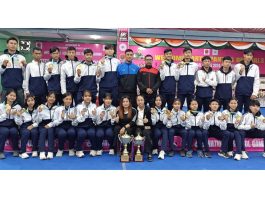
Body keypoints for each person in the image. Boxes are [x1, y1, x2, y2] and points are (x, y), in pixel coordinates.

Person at [0, 37, 27, 106]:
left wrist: (25, 66)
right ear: (7, 45)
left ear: (17, 45)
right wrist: (3, 66)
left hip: (19, 88)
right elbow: (0, 72)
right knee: (4, 108)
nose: (13, 45)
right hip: (6, 88)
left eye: (15, 43)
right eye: (11, 43)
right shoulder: (2, 57)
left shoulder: (21, 57)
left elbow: (24, 73)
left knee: (20, 108)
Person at [73, 90, 97, 157]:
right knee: (82, 133)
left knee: (92, 133)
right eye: (86, 96)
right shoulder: (78, 107)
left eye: (89, 96)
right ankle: (78, 150)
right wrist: (82, 115)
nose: (87, 97)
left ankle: (93, 149)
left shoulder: (94, 106)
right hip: (81, 125)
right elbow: (74, 122)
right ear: (82, 97)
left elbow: (96, 121)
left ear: (91, 97)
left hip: (90, 125)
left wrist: (95, 115)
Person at [53, 93, 77, 157]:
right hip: (60, 125)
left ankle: (71, 149)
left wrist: (74, 119)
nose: (68, 101)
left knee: (72, 132)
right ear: (63, 100)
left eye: (70, 99)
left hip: (70, 125)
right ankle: (60, 149)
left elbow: (76, 123)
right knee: (62, 133)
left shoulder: (74, 109)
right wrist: (61, 118)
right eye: (66, 99)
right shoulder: (58, 109)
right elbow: (54, 122)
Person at [0, 89, 21, 159]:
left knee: (14, 131)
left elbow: (19, 122)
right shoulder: (1, 106)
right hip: (2, 124)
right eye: (10, 95)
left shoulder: (18, 107)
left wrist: (17, 115)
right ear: (6, 96)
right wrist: (6, 113)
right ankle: (0, 151)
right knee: (4, 131)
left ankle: (16, 149)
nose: (12, 97)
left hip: (12, 125)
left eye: (14, 96)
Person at [37, 91, 58, 160]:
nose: (52, 98)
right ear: (47, 97)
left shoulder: (56, 108)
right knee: (43, 132)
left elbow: (56, 120)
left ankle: (50, 151)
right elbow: (38, 120)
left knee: (50, 131)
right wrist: (39, 113)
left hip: (51, 124)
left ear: (55, 99)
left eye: (53, 97)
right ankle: (42, 152)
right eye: (50, 97)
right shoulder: (41, 107)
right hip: (42, 124)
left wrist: (50, 125)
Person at [17, 95, 39, 159]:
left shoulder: (37, 110)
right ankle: (22, 152)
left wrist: (32, 125)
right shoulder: (22, 110)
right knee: (26, 132)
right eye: (28, 101)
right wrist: (19, 116)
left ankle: (34, 150)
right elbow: (19, 123)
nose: (30, 102)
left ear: (34, 101)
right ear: (26, 102)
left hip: (34, 124)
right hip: (24, 125)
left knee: (34, 132)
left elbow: (39, 121)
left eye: (32, 100)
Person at [135, 95, 153, 161]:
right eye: (138, 100)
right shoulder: (134, 109)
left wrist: (147, 121)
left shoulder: (148, 109)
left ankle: (149, 153)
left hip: (146, 127)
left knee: (146, 132)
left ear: (144, 101)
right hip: (137, 127)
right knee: (138, 133)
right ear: (136, 102)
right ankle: (138, 152)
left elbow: (151, 122)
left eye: (141, 100)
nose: (140, 102)